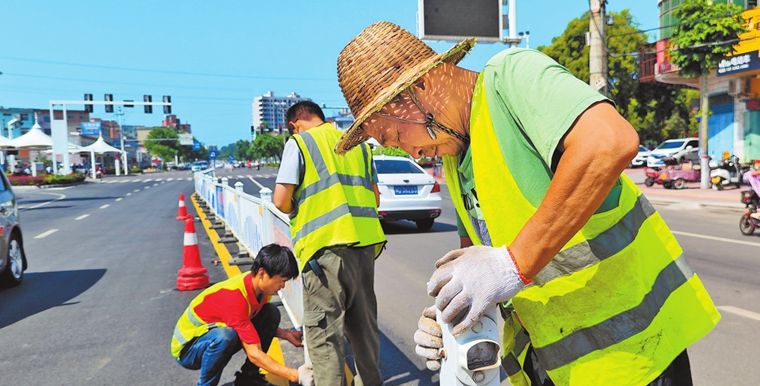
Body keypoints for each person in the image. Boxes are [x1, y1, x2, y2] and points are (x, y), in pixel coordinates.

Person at [334, 22, 720, 386]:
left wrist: (512, 263)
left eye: (394, 135)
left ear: (414, 92)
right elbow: (482, 264)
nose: (411, 152)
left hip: (631, 353)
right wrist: (454, 314)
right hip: (554, 364)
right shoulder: (455, 157)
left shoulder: (510, 76)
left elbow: (609, 141)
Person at [273, 101, 386, 386]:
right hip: (363, 248)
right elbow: (375, 198)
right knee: (364, 330)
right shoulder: (358, 145)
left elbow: (280, 200)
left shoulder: (300, 143)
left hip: (324, 251)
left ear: (294, 124)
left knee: (325, 336)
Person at [170, 244, 313, 386]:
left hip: (211, 336)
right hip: (188, 350)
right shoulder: (235, 297)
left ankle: (248, 378)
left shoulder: (260, 289)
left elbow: (248, 322)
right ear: (262, 273)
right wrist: (296, 376)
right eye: (282, 281)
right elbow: (254, 353)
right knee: (225, 337)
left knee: (271, 313)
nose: (282, 286)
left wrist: (286, 334)